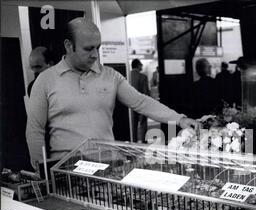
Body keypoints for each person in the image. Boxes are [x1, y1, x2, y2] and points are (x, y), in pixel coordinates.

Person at [26, 18, 198, 167]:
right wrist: (42, 173)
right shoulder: (45, 80)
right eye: (88, 48)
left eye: (98, 48)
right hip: (67, 169)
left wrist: (179, 119)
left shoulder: (110, 76)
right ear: (68, 46)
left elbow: (141, 101)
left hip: (108, 165)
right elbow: (35, 130)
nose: (95, 55)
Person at [130, 58, 150, 143]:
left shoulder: (128, 76)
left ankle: (133, 142)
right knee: (143, 123)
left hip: (130, 103)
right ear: (138, 65)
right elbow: (146, 92)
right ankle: (143, 142)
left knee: (133, 124)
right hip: (141, 104)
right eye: (141, 64)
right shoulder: (143, 77)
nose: (142, 66)